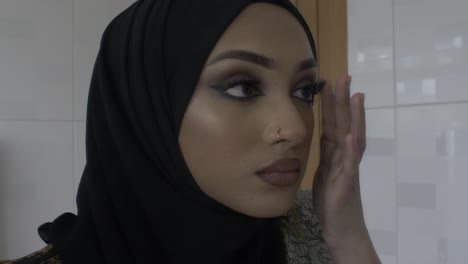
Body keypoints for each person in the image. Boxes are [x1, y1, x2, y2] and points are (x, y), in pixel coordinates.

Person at [0, 0, 380, 263]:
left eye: (304, 91)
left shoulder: (313, 234)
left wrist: (349, 237)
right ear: (148, 109)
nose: (296, 129)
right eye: (243, 87)